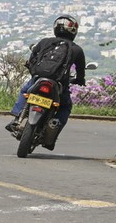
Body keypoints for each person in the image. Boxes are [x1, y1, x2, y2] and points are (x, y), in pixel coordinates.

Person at [5, 15, 87, 148]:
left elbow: (32, 59)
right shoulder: (76, 49)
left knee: (25, 91)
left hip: (38, 78)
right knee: (65, 107)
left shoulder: (45, 42)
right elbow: (80, 70)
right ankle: (51, 134)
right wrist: (80, 80)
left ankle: (16, 117)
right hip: (59, 84)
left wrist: (32, 69)